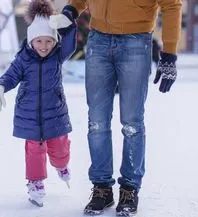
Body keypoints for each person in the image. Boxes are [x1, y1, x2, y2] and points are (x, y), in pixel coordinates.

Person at [68, 0, 182, 215]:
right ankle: (102, 188)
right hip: (98, 40)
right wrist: (71, 8)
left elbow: (172, 5)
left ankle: (129, 188)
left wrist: (169, 53)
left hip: (136, 41)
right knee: (97, 122)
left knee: (132, 122)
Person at [0, 0, 78, 207]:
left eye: (48, 41)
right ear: (31, 41)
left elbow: (70, 42)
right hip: (29, 115)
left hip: (55, 115)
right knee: (34, 150)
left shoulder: (58, 56)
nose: (44, 46)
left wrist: (68, 24)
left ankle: (61, 165)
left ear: (55, 42)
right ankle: (35, 183)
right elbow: (10, 76)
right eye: (39, 41)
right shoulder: (23, 59)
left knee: (60, 151)